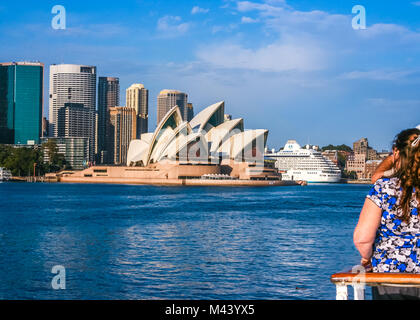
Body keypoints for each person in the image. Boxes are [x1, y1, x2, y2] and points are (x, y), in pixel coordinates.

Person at [353, 128, 420, 299]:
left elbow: (362, 238)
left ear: (396, 153)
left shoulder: (385, 188)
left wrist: (367, 258)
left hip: (390, 277)